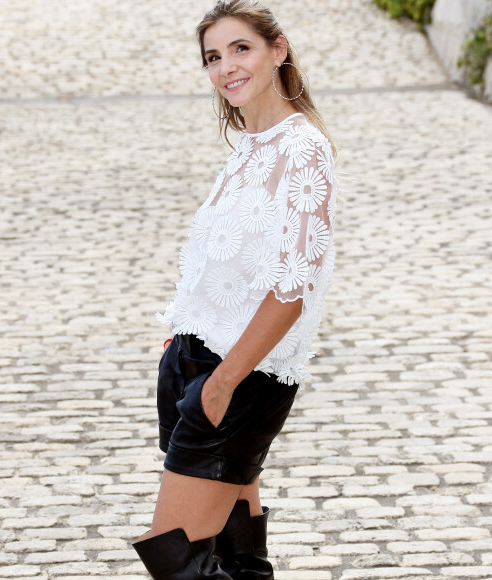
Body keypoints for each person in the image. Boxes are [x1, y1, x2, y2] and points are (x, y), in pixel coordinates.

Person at [133, 1, 338, 578]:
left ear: (279, 49)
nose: (226, 67)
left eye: (240, 48)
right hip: (194, 360)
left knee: (175, 557)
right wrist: (181, 343)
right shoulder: (249, 148)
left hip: (241, 373)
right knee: (235, 554)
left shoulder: (302, 150)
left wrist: (223, 382)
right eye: (212, 57)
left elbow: (293, 287)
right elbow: (223, 265)